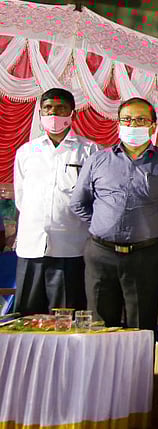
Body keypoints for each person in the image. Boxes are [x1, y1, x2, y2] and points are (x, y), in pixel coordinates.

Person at [70, 97, 158, 330]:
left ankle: (137, 357)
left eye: (140, 120)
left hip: (145, 256)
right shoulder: (98, 160)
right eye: (126, 120)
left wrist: (152, 224)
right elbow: (78, 203)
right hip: (101, 254)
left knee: (141, 325)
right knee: (99, 325)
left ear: (153, 126)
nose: (132, 125)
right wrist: (103, 223)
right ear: (118, 124)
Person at [13, 88, 97, 315]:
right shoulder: (27, 151)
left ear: (72, 113)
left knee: (65, 317)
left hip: (71, 246)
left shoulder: (88, 150)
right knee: (28, 317)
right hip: (31, 246)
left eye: (61, 108)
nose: (53, 114)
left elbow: (94, 198)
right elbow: (21, 198)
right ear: (40, 113)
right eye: (48, 108)